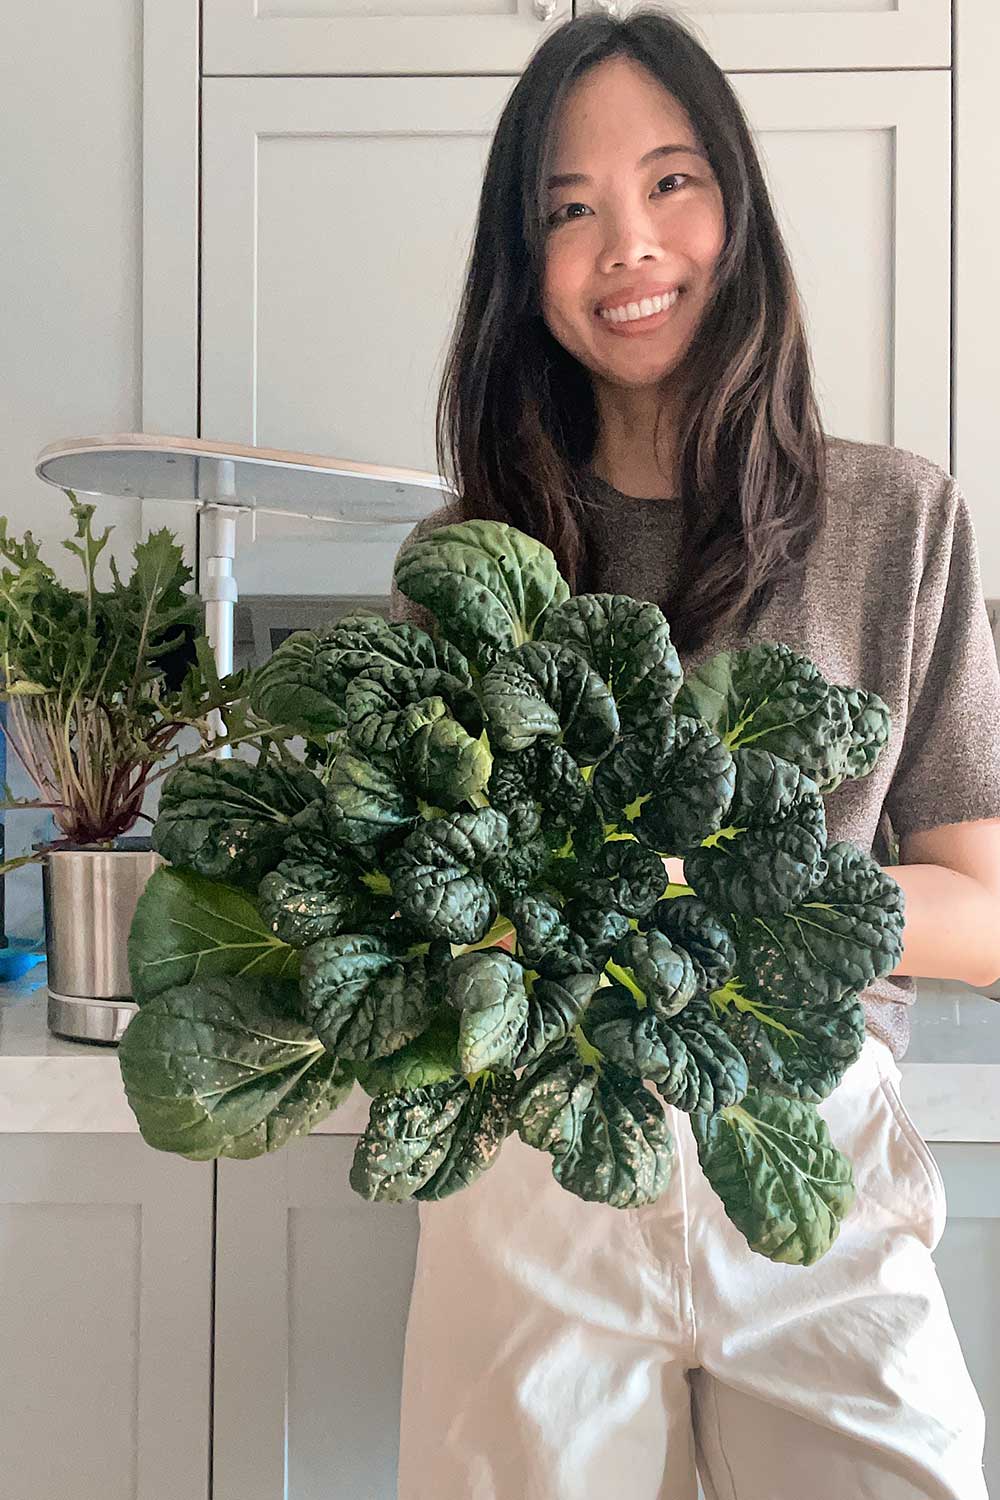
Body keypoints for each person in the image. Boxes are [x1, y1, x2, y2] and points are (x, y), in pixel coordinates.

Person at [388, 9, 1000, 1496]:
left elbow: (985, 907)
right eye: (569, 210)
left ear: (739, 205)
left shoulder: (894, 521)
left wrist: (708, 888)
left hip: (812, 1157)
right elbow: (420, 915)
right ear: (519, 272)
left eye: (671, 184)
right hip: (536, 1165)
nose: (628, 248)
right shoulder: (465, 564)